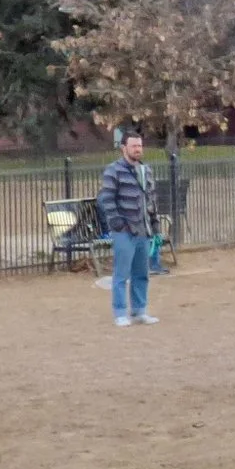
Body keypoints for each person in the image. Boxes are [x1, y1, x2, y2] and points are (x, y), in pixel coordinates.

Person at [98, 130, 158, 325]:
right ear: (124, 148)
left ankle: (140, 310)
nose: (138, 149)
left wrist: (154, 223)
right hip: (124, 230)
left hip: (143, 229)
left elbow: (151, 199)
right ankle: (120, 312)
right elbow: (107, 198)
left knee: (142, 273)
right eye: (134, 146)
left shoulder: (146, 170)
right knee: (121, 274)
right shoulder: (113, 170)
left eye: (140, 145)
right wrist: (117, 222)